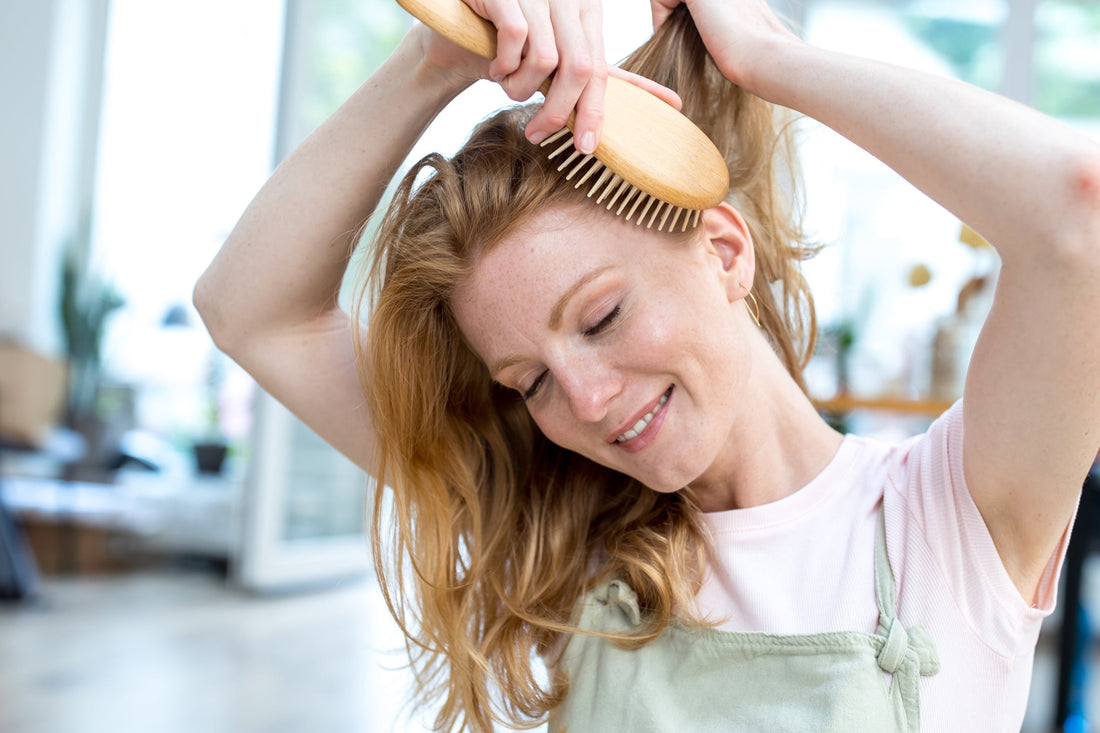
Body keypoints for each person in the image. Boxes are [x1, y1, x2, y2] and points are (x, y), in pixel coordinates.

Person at [193, 0, 1100, 730]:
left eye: (602, 315)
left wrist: (764, 57)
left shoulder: (951, 515)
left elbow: (1080, 214)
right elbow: (249, 311)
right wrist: (440, 57)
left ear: (724, 250)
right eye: (530, 381)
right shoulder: (564, 533)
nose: (583, 400)